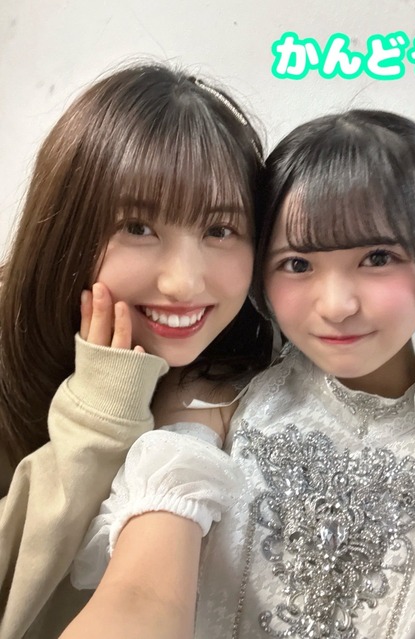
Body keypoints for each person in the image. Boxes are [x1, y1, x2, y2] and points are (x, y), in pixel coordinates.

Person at [66, 110, 415, 639]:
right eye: (298, 264)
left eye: (378, 257)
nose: (336, 305)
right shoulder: (216, 401)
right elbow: (141, 595)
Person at [0, 62, 272, 639]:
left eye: (220, 229)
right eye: (138, 227)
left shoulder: (260, 382)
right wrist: (98, 417)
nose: (183, 282)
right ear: (67, 228)